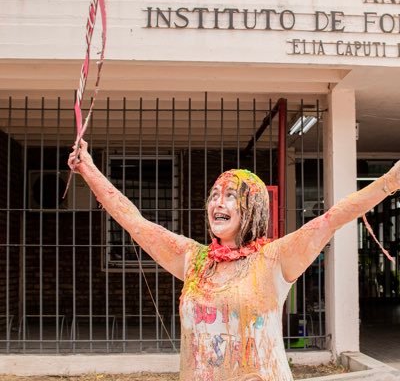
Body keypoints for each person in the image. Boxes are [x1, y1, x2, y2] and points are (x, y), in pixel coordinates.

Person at [68, 140, 399, 381]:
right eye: (213, 196)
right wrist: (89, 169)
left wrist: (387, 183)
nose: (217, 203)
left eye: (229, 196)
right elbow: (135, 221)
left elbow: (330, 219)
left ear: (252, 207)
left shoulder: (273, 258)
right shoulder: (194, 259)